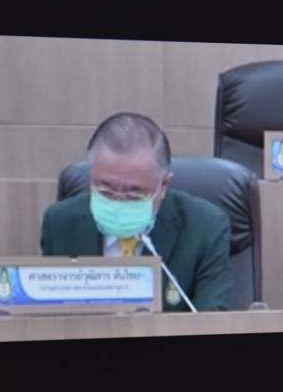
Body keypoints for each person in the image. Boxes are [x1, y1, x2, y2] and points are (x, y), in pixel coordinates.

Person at [40, 113, 232, 311]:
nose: (118, 201)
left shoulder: (206, 228)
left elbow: (212, 320)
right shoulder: (60, 224)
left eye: (134, 193)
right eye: (106, 189)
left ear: (164, 185)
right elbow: (49, 316)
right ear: (91, 177)